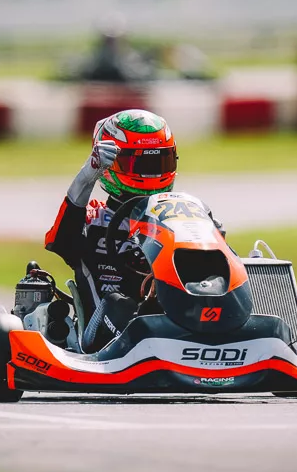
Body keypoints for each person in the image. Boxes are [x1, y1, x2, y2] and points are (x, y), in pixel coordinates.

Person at [44, 109, 222, 353]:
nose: (152, 173)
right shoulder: (93, 220)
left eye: (160, 162)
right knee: (121, 304)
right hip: (108, 333)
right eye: (141, 163)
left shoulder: (184, 214)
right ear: (111, 163)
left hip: (178, 318)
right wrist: (88, 175)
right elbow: (62, 240)